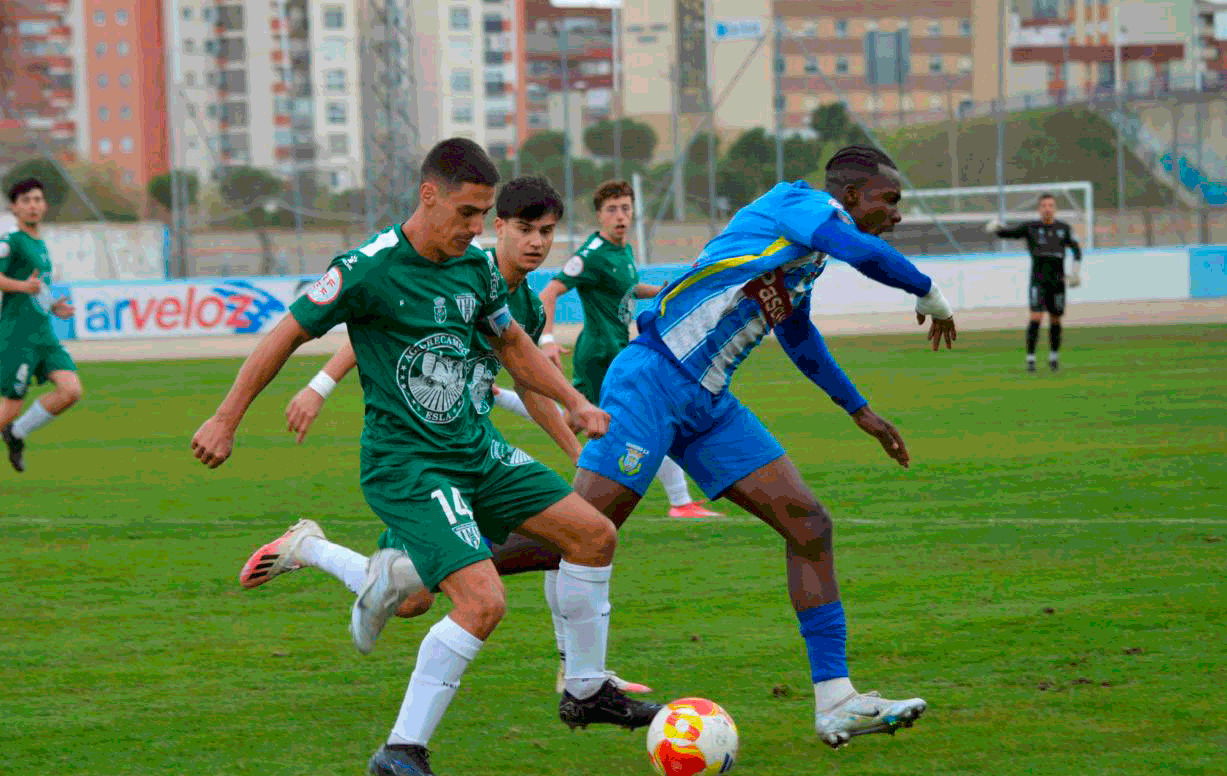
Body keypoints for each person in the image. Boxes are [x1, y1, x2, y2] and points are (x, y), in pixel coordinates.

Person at [189, 140, 660, 776]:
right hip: (410, 467)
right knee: (481, 602)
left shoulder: (476, 269)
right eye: (467, 213)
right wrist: (225, 418)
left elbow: (513, 345)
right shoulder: (367, 268)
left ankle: (584, 691)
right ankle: (401, 751)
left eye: (484, 214)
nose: (475, 228)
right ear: (428, 195)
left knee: (592, 534)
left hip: (477, 451)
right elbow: (285, 333)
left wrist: (574, 402)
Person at [504, 146, 960, 749]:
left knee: (808, 524)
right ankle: (420, 569)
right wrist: (926, 289)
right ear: (851, 196)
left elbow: (798, 336)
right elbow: (863, 250)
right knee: (573, 536)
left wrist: (861, 412)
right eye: (888, 201)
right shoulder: (797, 204)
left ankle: (837, 701)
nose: (895, 215)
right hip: (653, 378)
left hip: (708, 402)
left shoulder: (807, 257)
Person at [538, 180, 721, 519]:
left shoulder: (624, 250)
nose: (620, 216)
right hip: (600, 353)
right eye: (612, 210)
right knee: (648, 417)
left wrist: (661, 291)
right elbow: (548, 293)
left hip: (619, 349)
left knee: (575, 419)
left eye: (625, 208)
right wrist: (546, 340)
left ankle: (517, 412)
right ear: (599, 215)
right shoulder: (591, 255)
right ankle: (680, 502)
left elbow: (627, 287)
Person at [0, 178, 82, 489]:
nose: (33, 205)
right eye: (25, 200)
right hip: (17, 337)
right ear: (13, 208)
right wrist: (23, 286)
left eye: (38, 199)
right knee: (10, 405)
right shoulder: (11, 241)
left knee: (71, 391)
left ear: (45, 205)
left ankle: (17, 433)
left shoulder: (39, 243)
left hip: (44, 334)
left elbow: (35, 287)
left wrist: (53, 306)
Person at [984, 193, 1082, 372]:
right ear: (1039, 209)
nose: (1047, 208)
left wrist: (1075, 272)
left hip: (1058, 281)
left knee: (1056, 319)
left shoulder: (1063, 228)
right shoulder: (1031, 228)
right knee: (1036, 317)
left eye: (1051, 205)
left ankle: (1053, 358)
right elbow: (1010, 233)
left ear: (1055, 208)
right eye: (1044, 205)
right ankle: (1030, 359)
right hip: (1038, 281)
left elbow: (1076, 249)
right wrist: (996, 229)